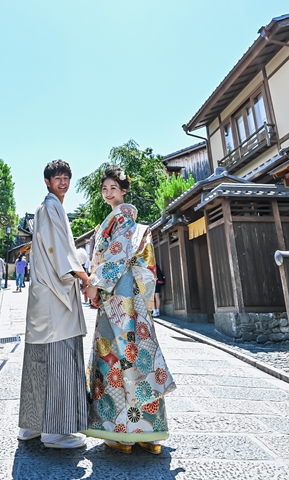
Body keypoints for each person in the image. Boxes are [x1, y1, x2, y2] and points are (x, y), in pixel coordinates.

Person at [83, 168, 175, 454]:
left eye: (113, 188)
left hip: (117, 295)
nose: (108, 193)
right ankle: (149, 432)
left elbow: (116, 254)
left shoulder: (121, 221)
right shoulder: (125, 222)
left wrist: (96, 284)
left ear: (124, 191)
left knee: (114, 357)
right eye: (105, 189)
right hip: (132, 297)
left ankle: (121, 433)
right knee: (139, 357)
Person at [17, 160, 96, 449]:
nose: (62, 182)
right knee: (59, 359)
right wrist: (83, 275)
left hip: (43, 295)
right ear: (47, 182)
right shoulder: (51, 208)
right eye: (57, 178)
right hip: (55, 296)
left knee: (38, 360)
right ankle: (55, 431)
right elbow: (60, 252)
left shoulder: (44, 208)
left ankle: (31, 425)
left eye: (66, 178)